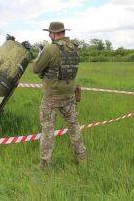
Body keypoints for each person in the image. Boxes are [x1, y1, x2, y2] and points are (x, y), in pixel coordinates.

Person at [32, 22, 86, 169]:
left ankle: (45, 164)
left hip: (51, 97)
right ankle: (82, 159)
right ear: (63, 32)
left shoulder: (50, 48)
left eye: (49, 33)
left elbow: (36, 69)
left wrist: (40, 54)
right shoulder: (75, 47)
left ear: (53, 34)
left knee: (48, 130)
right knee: (74, 127)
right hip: (69, 95)